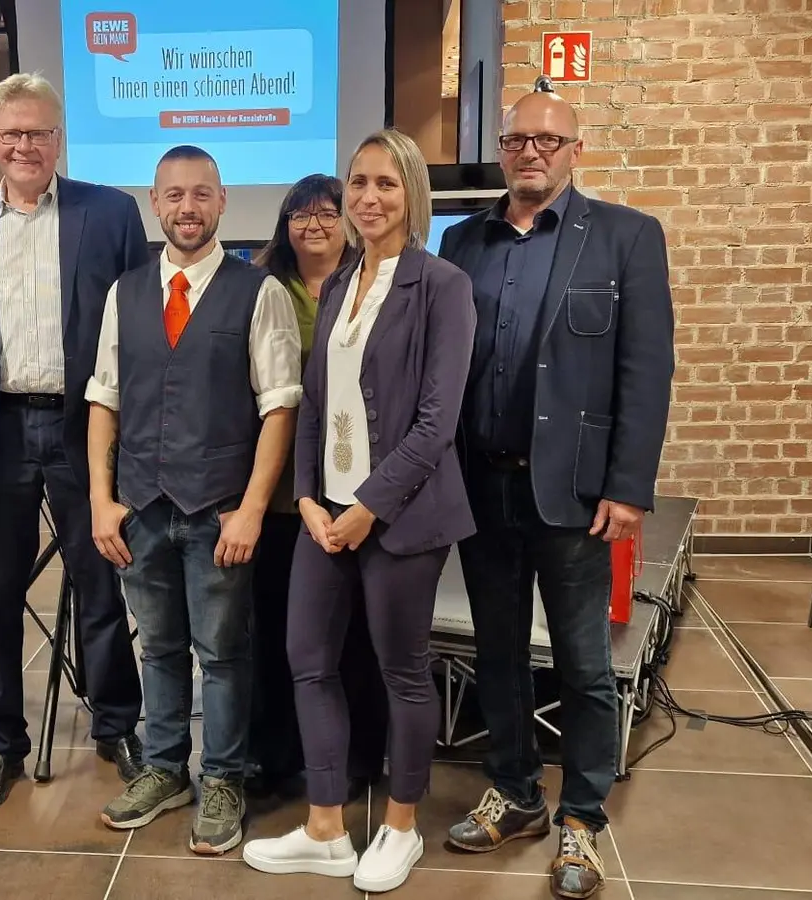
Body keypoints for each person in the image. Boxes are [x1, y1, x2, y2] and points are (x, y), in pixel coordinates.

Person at [436, 87, 674, 899]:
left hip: (575, 496)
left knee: (581, 664)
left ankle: (581, 818)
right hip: (481, 486)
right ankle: (514, 793)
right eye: (516, 139)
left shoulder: (626, 238)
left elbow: (646, 372)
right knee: (495, 654)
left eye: (548, 139)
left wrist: (630, 486)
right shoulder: (463, 241)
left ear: (576, 150)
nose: (530, 150)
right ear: (501, 150)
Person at [242, 129, 477, 894]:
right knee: (308, 661)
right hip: (326, 514)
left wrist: (368, 508)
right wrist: (308, 495)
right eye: (358, 183)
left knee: (401, 672)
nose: (367, 198)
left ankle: (402, 828)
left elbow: (437, 421)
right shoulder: (340, 283)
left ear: (413, 193)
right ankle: (325, 828)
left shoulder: (443, 286)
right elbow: (314, 400)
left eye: (385, 183)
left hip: (403, 518)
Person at [0, 73, 148, 815]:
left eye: (39, 132)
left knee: (102, 582)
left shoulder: (110, 214)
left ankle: (118, 726)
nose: (25, 145)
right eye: (10, 133)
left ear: (60, 140)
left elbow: (141, 336)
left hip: (87, 428)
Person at [85, 145, 303, 855]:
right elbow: (104, 400)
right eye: (173, 195)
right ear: (155, 204)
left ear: (221, 201)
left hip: (217, 510)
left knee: (225, 654)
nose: (187, 207)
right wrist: (100, 498)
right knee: (161, 648)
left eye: (200, 194)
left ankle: (224, 777)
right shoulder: (126, 291)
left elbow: (279, 409)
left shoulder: (258, 290)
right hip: (141, 509)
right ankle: (164, 768)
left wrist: (249, 508)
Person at [245, 174, 389, 803]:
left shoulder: (373, 285)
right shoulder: (257, 286)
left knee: (355, 635)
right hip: (274, 495)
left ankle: (356, 759)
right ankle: (274, 756)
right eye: (300, 215)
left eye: (327, 213)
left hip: (348, 492)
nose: (314, 226)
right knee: (275, 631)